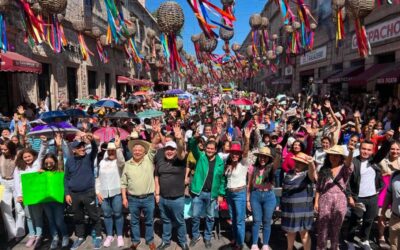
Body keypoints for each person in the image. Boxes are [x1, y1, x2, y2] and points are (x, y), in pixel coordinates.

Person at [121, 120, 161, 250]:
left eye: (140, 150)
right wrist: (124, 198)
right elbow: (123, 183)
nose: (137, 152)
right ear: (132, 151)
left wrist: (156, 132)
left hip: (148, 197)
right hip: (133, 198)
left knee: (149, 221)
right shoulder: (127, 164)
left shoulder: (149, 158)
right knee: (134, 221)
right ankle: (135, 240)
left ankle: (150, 240)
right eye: (135, 150)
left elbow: (154, 144)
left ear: (144, 151)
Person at [189, 130, 226, 249]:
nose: (209, 150)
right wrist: (195, 138)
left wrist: (221, 193)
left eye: (212, 149)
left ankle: (208, 237)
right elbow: (192, 146)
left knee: (210, 217)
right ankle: (195, 236)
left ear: (215, 150)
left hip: (212, 194)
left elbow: (222, 180)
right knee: (195, 216)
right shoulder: (201, 157)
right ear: (205, 149)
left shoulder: (220, 162)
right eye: (208, 148)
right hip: (198, 193)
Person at [64, 133, 102, 250]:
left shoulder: (89, 158)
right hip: (74, 194)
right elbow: (66, 178)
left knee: (94, 215)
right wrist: (67, 194)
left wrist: (92, 140)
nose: (82, 148)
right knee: (78, 217)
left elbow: (95, 149)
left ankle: (98, 237)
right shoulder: (69, 161)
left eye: (83, 146)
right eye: (79, 147)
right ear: (74, 150)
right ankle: (80, 237)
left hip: (88, 192)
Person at [346, 140, 386, 250]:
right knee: (355, 220)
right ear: (359, 149)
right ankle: (350, 241)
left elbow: (383, 151)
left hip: (373, 197)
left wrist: (388, 140)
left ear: (372, 151)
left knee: (369, 221)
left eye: (369, 149)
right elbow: (346, 181)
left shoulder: (374, 161)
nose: (366, 151)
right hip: (358, 198)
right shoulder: (353, 161)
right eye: (364, 149)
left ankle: (365, 240)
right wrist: (349, 196)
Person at [154, 124, 189, 250]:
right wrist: (157, 194)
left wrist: (179, 139)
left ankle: (183, 241)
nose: (169, 151)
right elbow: (156, 177)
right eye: (167, 148)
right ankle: (166, 241)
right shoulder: (161, 161)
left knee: (180, 221)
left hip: (177, 198)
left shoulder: (180, 160)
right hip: (163, 198)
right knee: (166, 220)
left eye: (172, 149)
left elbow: (181, 151)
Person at [314, 145, 354, 250]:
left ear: (341, 157)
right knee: (322, 227)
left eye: (337, 156)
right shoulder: (324, 169)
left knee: (336, 228)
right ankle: (321, 247)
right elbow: (318, 187)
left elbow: (349, 164)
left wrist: (351, 152)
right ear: (328, 156)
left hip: (340, 200)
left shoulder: (344, 169)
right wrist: (316, 202)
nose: (334, 157)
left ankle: (334, 247)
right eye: (332, 155)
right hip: (324, 199)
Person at [14, 136, 48, 248]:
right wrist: (19, 195)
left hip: (37, 194)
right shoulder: (19, 167)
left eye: (29, 156)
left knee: (37, 216)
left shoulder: (38, 163)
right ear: (22, 158)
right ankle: (32, 235)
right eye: (25, 157)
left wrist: (44, 141)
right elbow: (16, 182)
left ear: (33, 156)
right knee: (28, 216)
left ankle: (39, 236)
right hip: (25, 195)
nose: (27, 158)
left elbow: (42, 152)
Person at [247, 145, 282, 250]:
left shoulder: (271, 167)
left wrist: (278, 153)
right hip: (255, 195)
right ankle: (254, 243)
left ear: (269, 158)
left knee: (267, 221)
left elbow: (277, 163)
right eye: (261, 156)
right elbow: (249, 185)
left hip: (269, 196)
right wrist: (248, 200)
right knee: (256, 221)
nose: (263, 159)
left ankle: (265, 244)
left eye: (265, 157)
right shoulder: (252, 167)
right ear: (258, 157)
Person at [281, 152, 317, 250]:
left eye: (300, 162)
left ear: (305, 165)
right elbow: (285, 190)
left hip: (303, 210)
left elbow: (312, 171)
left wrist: (311, 163)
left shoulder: (307, 174)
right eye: (296, 161)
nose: (297, 164)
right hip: (289, 209)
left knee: (303, 234)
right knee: (290, 232)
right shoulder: (289, 173)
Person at [40, 133, 69, 249]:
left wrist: (59, 146)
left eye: (51, 162)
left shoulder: (59, 170)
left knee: (58, 220)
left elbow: (61, 157)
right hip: (47, 200)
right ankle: (55, 237)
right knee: (50, 220)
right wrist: (39, 174)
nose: (48, 165)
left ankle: (65, 235)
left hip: (58, 199)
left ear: (55, 162)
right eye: (46, 163)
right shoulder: (42, 172)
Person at [96, 135, 125, 248]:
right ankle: (109, 235)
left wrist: (118, 148)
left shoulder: (119, 162)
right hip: (103, 193)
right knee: (107, 215)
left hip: (116, 192)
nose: (111, 152)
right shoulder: (102, 162)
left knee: (118, 214)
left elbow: (122, 162)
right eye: (109, 151)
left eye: (113, 151)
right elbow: (98, 178)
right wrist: (97, 191)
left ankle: (120, 235)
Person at [224, 127, 250, 250]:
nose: (235, 155)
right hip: (229, 193)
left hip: (240, 193)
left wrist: (247, 138)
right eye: (233, 153)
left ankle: (240, 243)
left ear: (239, 155)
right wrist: (229, 142)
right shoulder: (228, 165)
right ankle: (235, 239)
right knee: (233, 219)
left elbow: (246, 151)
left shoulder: (243, 163)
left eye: (236, 154)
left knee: (239, 220)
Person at [0, 140, 25, 241]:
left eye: (5, 149)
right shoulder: (1, 157)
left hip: (15, 182)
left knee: (19, 208)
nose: (3, 151)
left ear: (11, 148)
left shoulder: (17, 155)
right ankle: (12, 233)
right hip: (3, 183)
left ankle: (20, 232)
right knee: (5, 209)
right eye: (2, 149)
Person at [377, 141, 400, 248]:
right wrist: (387, 174)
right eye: (392, 149)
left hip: (396, 190)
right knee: (383, 214)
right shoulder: (382, 161)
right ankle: (381, 235)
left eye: (397, 149)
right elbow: (378, 175)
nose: (395, 151)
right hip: (385, 189)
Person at [380, 168, 400, 250]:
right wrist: (383, 212)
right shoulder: (395, 175)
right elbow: (388, 195)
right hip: (395, 218)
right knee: (393, 245)